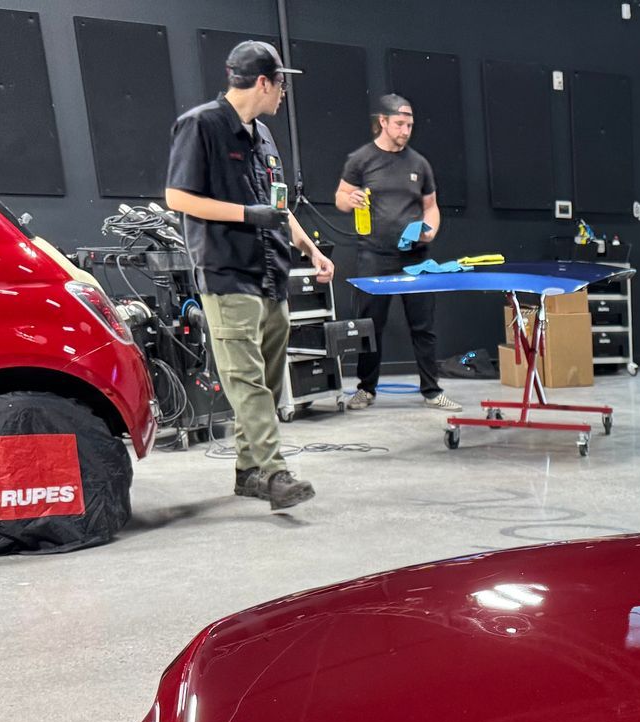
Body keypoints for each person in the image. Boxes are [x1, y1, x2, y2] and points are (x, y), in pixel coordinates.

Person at [164, 39, 326, 510]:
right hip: (227, 272)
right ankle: (275, 474)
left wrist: (311, 248)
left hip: (271, 273)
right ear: (262, 82)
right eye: (281, 85)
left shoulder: (264, 136)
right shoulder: (200, 126)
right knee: (247, 380)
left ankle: (248, 472)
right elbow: (177, 197)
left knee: (268, 382)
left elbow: (277, 207)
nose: (283, 95)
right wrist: (244, 214)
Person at [336, 95, 457, 411]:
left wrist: (429, 229)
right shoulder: (361, 159)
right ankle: (366, 389)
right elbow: (340, 197)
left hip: (415, 258)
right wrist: (351, 200)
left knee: (423, 325)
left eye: (410, 125)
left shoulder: (419, 163)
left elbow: (431, 207)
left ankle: (432, 390)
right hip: (374, 255)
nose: (406, 130)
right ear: (383, 122)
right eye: (400, 124)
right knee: (369, 324)